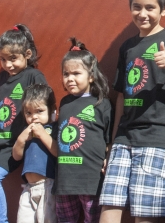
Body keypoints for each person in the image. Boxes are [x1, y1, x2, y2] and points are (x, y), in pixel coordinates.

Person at [99, 0, 165, 223]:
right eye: (137, 7)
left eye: (150, 7)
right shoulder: (127, 47)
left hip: (159, 138)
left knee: (145, 216)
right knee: (108, 208)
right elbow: (121, 95)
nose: (142, 13)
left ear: (164, 9)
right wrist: (113, 142)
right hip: (124, 139)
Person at [52, 37, 112, 223]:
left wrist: (108, 157)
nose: (70, 78)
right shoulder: (64, 103)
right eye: (66, 74)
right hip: (64, 181)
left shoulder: (101, 104)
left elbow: (109, 139)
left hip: (90, 181)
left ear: (91, 76)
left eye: (76, 73)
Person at [0, 24, 47, 223]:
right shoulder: (1, 78)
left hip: (15, 145)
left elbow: (43, 106)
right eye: (2, 59)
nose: (8, 65)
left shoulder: (33, 76)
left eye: (13, 59)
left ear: (27, 54)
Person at [12, 83, 57, 223]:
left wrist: (43, 134)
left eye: (39, 111)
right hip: (28, 188)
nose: (34, 117)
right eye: (28, 113)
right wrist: (22, 139)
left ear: (52, 110)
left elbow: (58, 152)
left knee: (47, 219)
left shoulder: (53, 129)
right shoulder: (26, 132)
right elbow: (16, 155)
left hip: (48, 186)